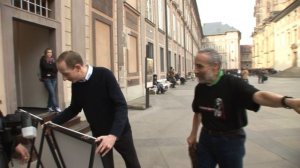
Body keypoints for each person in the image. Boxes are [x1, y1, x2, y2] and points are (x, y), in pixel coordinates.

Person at [186, 48, 300, 168]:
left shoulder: (233, 84)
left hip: (230, 140)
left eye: (199, 66)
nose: (195, 70)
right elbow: (198, 112)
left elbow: (259, 96)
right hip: (206, 138)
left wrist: (287, 101)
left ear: (215, 67)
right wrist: (193, 134)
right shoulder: (200, 88)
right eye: (195, 66)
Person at [51, 50, 140, 168]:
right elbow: (74, 109)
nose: (64, 78)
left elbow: (121, 106)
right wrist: (53, 123)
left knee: (132, 164)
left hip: (120, 132)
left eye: (66, 74)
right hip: (99, 135)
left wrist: (113, 136)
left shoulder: (105, 75)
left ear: (77, 67)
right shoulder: (76, 84)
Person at [39, 48, 61, 112]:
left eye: (51, 52)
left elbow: (56, 69)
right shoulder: (43, 59)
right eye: (48, 52)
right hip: (47, 79)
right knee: (52, 92)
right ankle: (56, 107)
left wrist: (51, 69)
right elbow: (46, 67)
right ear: (45, 53)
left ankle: (49, 107)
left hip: (53, 78)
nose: (50, 54)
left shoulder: (53, 60)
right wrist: (51, 67)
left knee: (51, 93)